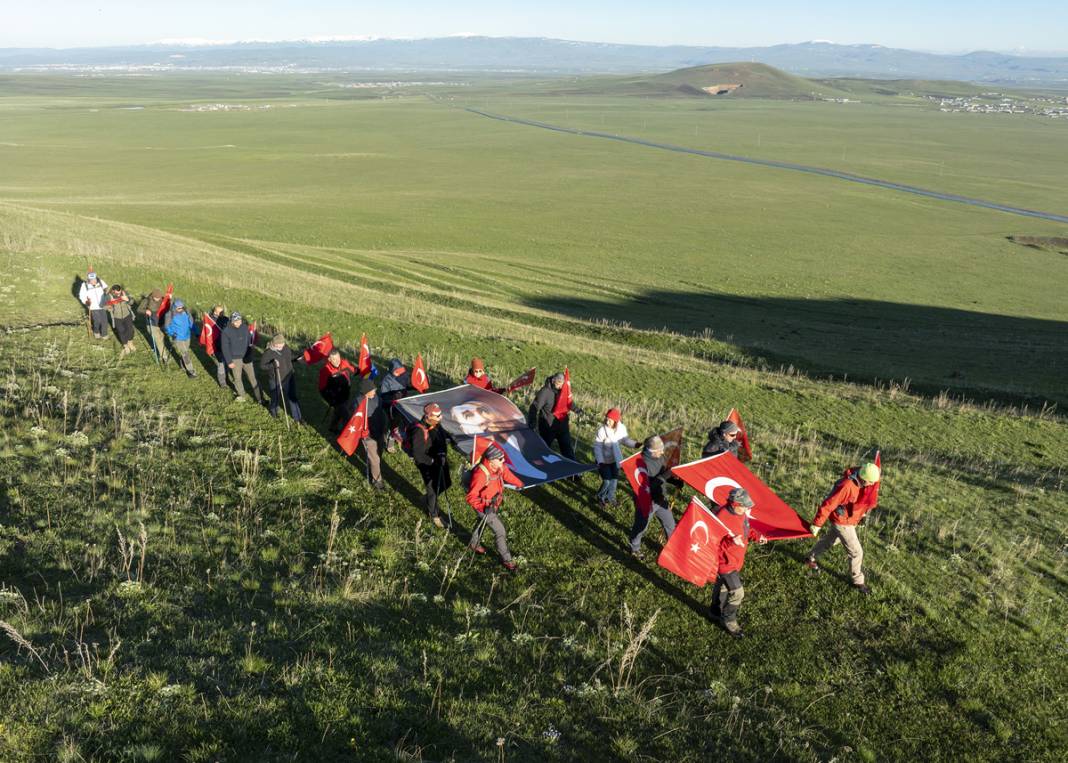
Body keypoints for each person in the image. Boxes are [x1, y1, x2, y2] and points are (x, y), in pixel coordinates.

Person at [804, 461, 881, 595]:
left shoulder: (862, 481)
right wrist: (817, 524)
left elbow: (860, 501)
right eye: (871, 482)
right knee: (857, 552)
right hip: (842, 522)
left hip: (849, 520)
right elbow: (829, 504)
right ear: (864, 479)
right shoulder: (847, 486)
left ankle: (809, 558)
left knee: (829, 541)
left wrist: (861, 516)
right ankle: (858, 581)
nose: (872, 485)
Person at [709, 488, 765, 638]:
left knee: (722, 586)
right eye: (745, 506)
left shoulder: (741, 513)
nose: (748, 509)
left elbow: (745, 529)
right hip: (725, 563)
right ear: (735, 505)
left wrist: (757, 536)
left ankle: (715, 611)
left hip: (736, 560)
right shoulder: (721, 517)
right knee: (738, 593)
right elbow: (713, 543)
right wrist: (731, 542)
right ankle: (729, 620)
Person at [466, 443, 524, 572]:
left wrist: (520, 484)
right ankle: (507, 560)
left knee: (482, 522)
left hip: (493, 504)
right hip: (484, 507)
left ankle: (474, 544)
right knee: (500, 531)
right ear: (491, 460)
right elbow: (471, 496)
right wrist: (483, 507)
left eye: (503, 458)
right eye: (500, 459)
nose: (503, 461)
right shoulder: (480, 474)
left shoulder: (499, 466)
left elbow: (507, 475)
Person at [628, 436, 681, 559]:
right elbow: (646, 487)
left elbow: (663, 472)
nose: (662, 452)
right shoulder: (640, 463)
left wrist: (675, 480)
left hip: (660, 498)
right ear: (650, 451)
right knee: (641, 527)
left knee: (670, 524)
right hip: (646, 502)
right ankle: (634, 547)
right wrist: (665, 476)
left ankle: (673, 549)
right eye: (659, 450)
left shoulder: (660, 457)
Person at [408, 402, 451, 529]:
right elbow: (418, 454)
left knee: (447, 483)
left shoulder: (435, 424)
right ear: (429, 416)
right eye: (438, 416)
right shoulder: (419, 431)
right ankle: (434, 515)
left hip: (439, 459)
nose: (440, 417)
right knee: (433, 489)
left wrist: (450, 439)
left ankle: (428, 498)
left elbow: (441, 434)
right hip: (427, 464)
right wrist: (432, 461)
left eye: (440, 414)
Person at [593, 408, 638, 507]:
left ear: (616, 421)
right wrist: (600, 461)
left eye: (610, 420)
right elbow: (597, 447)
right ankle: (600, 497)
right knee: (607, 481)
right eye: (606, 419)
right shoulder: (602, 430)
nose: (607, 421)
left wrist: (635, 444)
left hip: (615, 460)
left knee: (614, 481)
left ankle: (610, 497)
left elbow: (625, 440)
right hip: (603, 461)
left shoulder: (621, 429)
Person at [529, 372, 577, 460]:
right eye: (558, 383)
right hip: (548, 426)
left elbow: (569, 402)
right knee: (543, 451)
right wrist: (532, 421)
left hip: (562, 425)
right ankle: (537, 464)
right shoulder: (545, 392)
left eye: (562, 384)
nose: (560, 386)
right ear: (553, 380)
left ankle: (573, 468)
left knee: (568, 450)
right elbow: (534, 407)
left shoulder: (564, 390)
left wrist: (577, 410)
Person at [220, 312, 262, 403]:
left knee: (253, 378)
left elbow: (249, 340)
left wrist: (249, 351)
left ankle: (260, 398)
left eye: (239, 320)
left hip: (246, 357)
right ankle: (242, 395)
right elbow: (225, 347)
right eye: (236, 321)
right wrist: (229, 361)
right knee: (237, 378)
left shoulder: (244, 327)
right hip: (234, 359)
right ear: (232, 321)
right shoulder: (226, 331)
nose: (238, 322)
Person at [354, 376, 387, 491]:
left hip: (379, 430)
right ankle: (377, 481)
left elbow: (382, 410)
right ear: (365, 392)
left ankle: (374, 468)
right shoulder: (358, 402)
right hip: (367, 434)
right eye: (372, 390)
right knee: (375, 458)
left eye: (375, 390)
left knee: (379, 453)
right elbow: (356, 419)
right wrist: (362, 431)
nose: (375, 392)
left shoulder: (377, 398)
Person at [260, 334, 302, 422]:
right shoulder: (268, 352)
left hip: (288, 376)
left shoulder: (286, 348)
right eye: (278, 345)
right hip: (276, 378)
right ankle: (274, 412)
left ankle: (297, 418)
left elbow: (289, 357)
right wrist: (273, 364)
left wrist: (297, 358)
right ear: (274, 343)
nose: (281, 347)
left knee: (292, 397)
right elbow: (262, 366)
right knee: (275, 397)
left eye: (282, 345)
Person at [319, 348, 356, 433]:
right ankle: (347, 435)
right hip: (335, 398)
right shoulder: (325, 371)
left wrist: (363, 370)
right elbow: (322, 388)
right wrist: (331, 399)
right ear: (329, 359)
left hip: (345, 393)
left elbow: (353, 370)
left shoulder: (344, 363)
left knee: (338, 411)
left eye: (338, 358)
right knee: (346, 415)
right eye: (334, 359)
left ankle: (332, 427)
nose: (337, 361)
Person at [380, 358, 412, 451]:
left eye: (400, 371)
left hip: (403, 404)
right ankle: (390, 440)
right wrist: (393, 396)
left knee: (405, 421)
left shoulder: (404, 376)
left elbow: (408, 385)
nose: (399, 373)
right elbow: (384, 396)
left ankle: (404, 438)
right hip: (391, 407)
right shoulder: (386, 381)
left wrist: (415, 384)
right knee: (393, 424)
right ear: (391, 370)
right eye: (396, 372)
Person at [164, 299, 198, 378]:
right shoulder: (169, 315)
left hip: (187, 336)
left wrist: (197, 333)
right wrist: (172, 333)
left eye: (182, 307)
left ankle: (182, 365)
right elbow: (167, 327)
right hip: (178, 337)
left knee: (185, 352)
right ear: (174, 307)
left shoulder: (186, 312)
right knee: (185, 354)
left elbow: (191, 323)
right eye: (179, 308)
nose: (181, 309)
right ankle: (191, 371)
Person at [138, 288, 168, 364]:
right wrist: (146, 311)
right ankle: (164, 357)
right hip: (151, 323)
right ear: (153, 296)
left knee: (161, 337)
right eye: (156, 298)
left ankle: (162, 350)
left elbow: (168, 306)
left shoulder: (163, 299)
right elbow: (139, 309)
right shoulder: (146, 300)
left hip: (161, 322)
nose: (158, 299)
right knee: (158, 340)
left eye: (159, 298)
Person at [105, 284, 136, 357]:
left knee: (130, 330)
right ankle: (125, 345)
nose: (118, 294)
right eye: (117, 293)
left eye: (119, 292)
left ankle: (130, 342)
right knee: (121, 331)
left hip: (127, 315)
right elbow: (104, 306)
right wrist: (110, 305)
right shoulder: (109, 296)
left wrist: (128, 300)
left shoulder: (125, 293)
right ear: (113, 291)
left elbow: (132, 302)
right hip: (117, 317)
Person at [203, 305, 229, 388]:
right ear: (215, 312)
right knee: (221, 364)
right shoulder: (210, 320)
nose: (222, 313)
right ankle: (222, 382)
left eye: (222, 312)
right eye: (220, 312)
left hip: (226, 345)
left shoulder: (226, 319)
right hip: (217, 346)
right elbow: (208, 332)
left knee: (226, 363)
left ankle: (226, 378)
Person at [79, 271, 110, 340]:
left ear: (96, 278)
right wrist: (86, 302)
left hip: (102, 305)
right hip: (93, 306)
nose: (93, 281)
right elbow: (82, 296)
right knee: (97, 320)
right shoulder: (85, 285)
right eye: (91, 280)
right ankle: (96, 332)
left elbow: (106, 289)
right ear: (88, 279)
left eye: (94, 279)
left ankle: (104, 334)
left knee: (104, 320)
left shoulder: (101, 282)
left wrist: (107, 295)